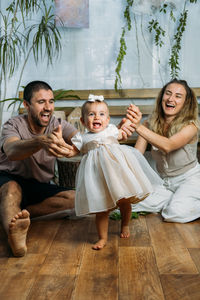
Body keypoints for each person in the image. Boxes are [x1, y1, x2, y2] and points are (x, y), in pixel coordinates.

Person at [0, 81, 136, 257]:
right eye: (41, 102)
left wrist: (113, 132)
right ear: (27, 105)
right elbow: (11, 150)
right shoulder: (13, 124)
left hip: (39, 185)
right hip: (9, 179)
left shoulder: (59, 124)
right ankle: (16, 241)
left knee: (77, 200)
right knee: (11, 191)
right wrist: (40, 141)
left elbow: (86, 140)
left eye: (51, 101)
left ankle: (12, 212)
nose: (48, 107)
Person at [64, 94, 162, 250]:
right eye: (91, 114)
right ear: (83, 121)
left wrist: (129, 119)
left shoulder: (111, 130)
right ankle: (102, 238)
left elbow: (123, 134)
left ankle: (125, 225)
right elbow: (71, 152)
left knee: (124, 201)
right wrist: (60, 148)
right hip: (97, 177)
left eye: (102, 114)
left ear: (108, 119)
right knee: (101, 208)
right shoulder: (81, 138)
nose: (97, 117)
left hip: (116, 174)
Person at [127, 78, 200, 223]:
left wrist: (138, 126)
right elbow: (136, 156)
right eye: (168, 93)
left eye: (178, 96)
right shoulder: (149, 123)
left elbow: (168, 145)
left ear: (186, 103)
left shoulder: (191, 126)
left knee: (173, 214)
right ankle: (177, 199)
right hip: (164, 183)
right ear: (162, 97)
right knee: (130, 204)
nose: (171, 99)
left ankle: (180, 201)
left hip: (190, 179)